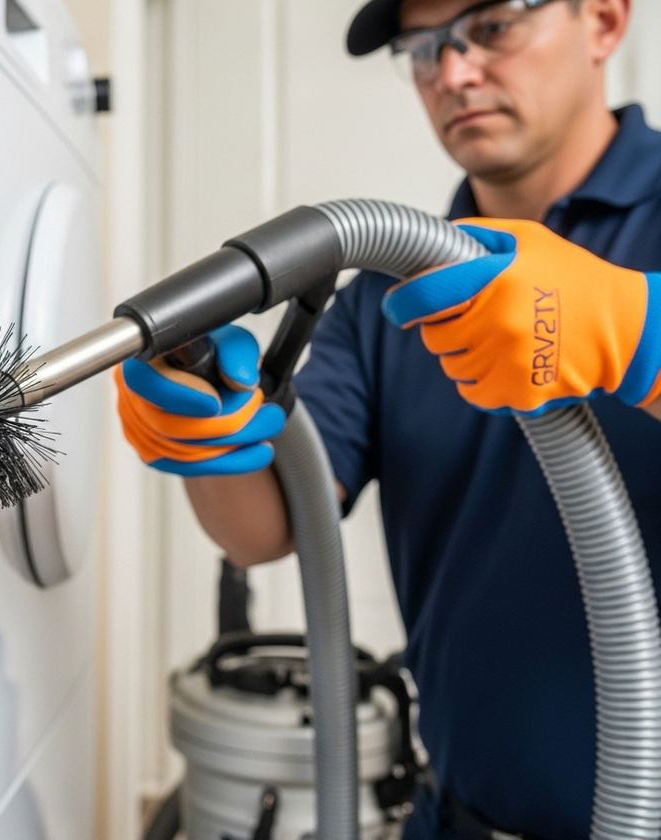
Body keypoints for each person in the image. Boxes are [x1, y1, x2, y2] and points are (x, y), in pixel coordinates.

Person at [115, 0, 661, 837]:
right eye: (425, 47)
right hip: (459, 817)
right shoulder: (393, 298)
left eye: (493, 26)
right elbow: (268, 527)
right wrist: (204, 434)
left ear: (604, 20)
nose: (453, 72)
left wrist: (639, 330)